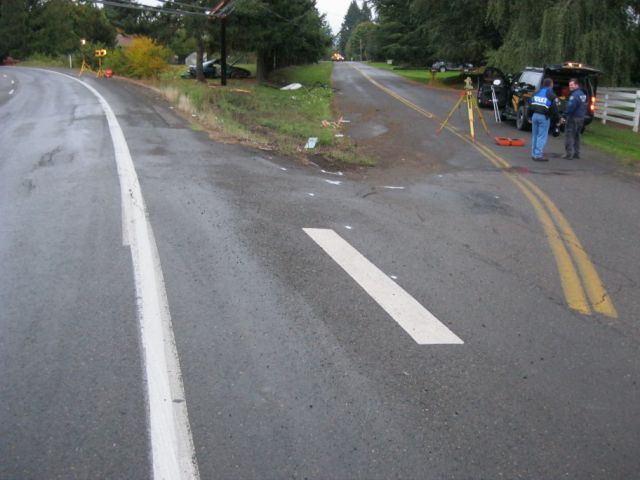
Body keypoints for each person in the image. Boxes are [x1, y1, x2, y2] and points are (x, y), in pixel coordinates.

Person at [529, 78, 560, 162]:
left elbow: (529, 104)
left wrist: (529, 116)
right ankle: (538, 155)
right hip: (544, 117)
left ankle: (534, 154)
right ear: (551, 84)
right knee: (541, 136)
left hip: (534, 116)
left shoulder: (536, 93)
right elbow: (555, 109)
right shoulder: (551, 94)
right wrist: (558, 119)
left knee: (535, 135)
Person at [562, 78, 587, 159]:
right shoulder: (582, 94)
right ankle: (577, 153)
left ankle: (569, 154)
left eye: (572, 85)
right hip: (581, 118)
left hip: (573, 118)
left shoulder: (574, 95)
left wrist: (564, 115)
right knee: (577, 136)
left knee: (569, 135)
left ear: (576, 85)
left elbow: (571, 107)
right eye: (569, 85)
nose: (570, 87)